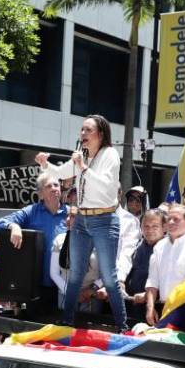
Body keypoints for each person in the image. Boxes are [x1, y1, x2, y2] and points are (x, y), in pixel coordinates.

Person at [34, 115, 130, 329]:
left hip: (104, 219)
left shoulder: (110, 154)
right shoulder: (83, 155)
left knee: (109, 275)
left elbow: (106, 186)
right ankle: (67, 320)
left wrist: (83, 167)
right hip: (82, 219)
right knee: (75, 273)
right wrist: (44, 164)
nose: (83, 134)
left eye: (88, 130)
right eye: (82, 130)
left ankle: (122, 325)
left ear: (101, 134)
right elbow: (59, 173)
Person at [0, 172, 69, 310]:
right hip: (35, 286)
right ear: (40, 194)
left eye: (56, 185)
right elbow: (1, 222)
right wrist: (14, 226)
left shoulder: (71, 214)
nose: (54, 188)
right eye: (48, 186)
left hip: (64, 285)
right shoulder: (31, 212)